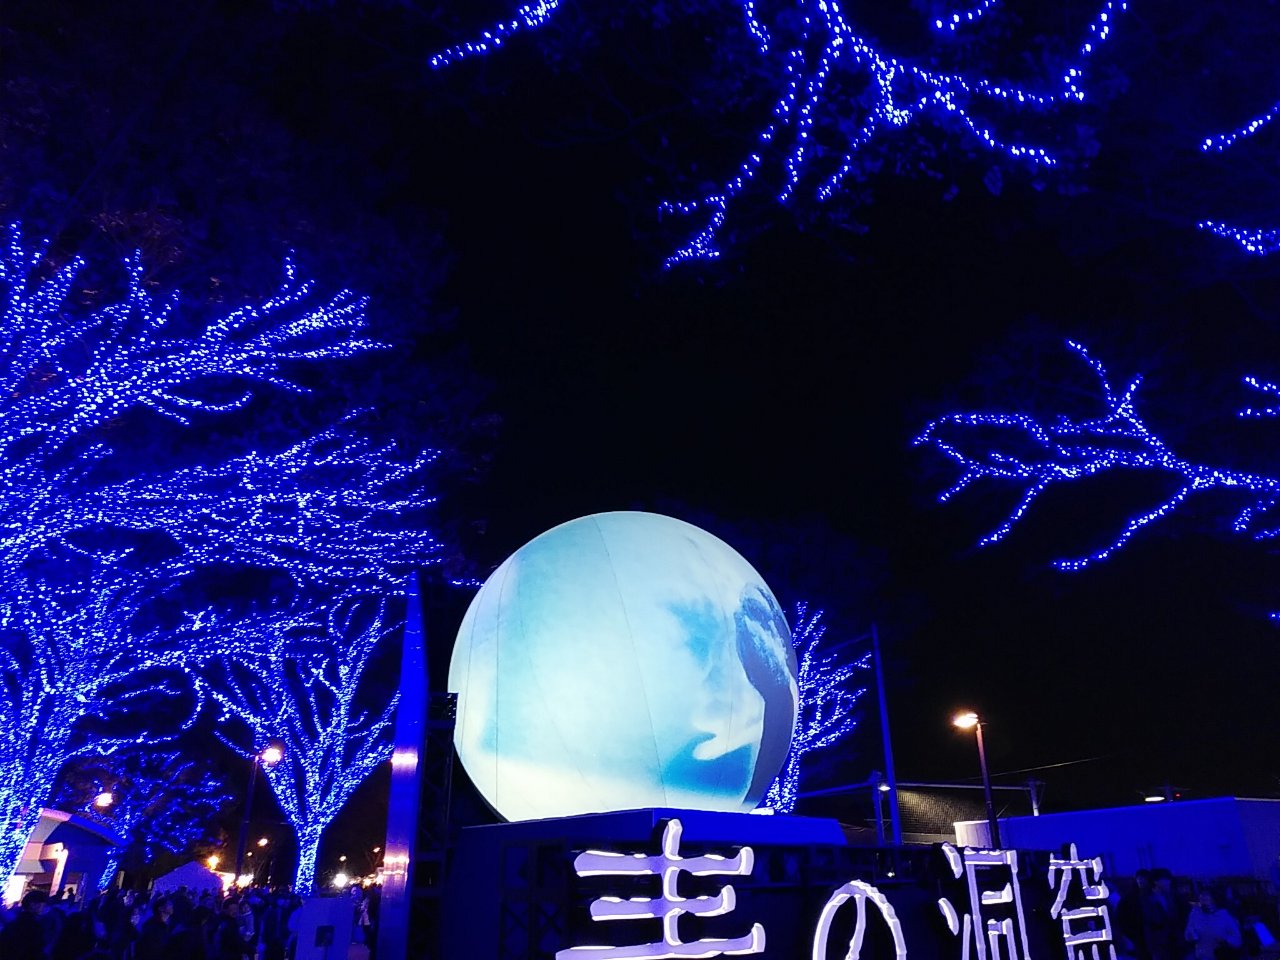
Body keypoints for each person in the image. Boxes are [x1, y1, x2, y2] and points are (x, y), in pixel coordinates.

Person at [1186, 891, 1242, 960]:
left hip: (1221, 956)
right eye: (1202, 899)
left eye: (1207, 898)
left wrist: (1225, 940)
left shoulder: (1224, 915)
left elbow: (1237, 939)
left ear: (1213, 900)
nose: (1204, 901)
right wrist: (1192, 935)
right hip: (1202, 956)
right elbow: (1188, 935)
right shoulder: (1195, 914)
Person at [0, 890, 51, 960]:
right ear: (33, 905)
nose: (46, 908)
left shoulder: (17, 921)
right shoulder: (32, 926)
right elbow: (34, 950)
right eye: (44, 905)